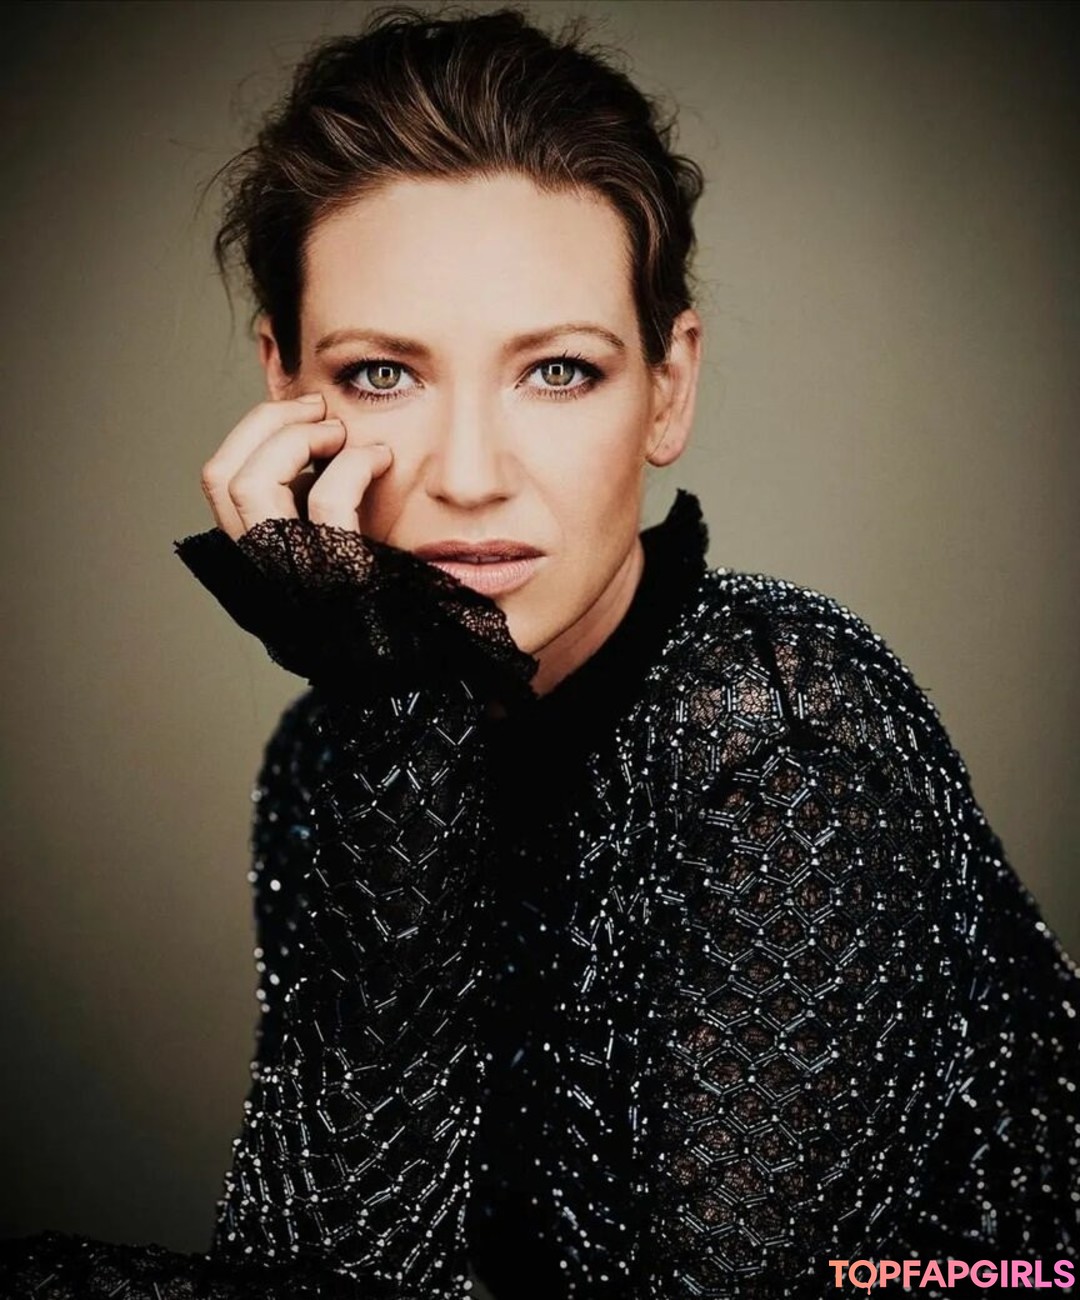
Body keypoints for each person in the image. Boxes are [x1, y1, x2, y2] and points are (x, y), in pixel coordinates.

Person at [2, 6, 1078, 1298]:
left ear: (669, 388)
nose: (469, 477)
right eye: (383, 373)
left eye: (559, 370)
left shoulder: (784, 737)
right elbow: (325, 1263)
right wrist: (398, 726)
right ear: (284, 384)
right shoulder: (340, 752)